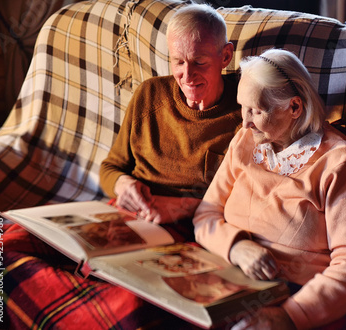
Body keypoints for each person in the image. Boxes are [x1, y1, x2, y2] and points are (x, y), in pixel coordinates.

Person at [193, 49, 346, 329]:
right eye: (242, 108)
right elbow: (205, 215)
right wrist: (237, 247)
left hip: (295, 299)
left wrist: (291, 316)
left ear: (294, 108)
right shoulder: (245, 140)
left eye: (255, 111)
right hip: (225, 277)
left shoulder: (340, 161)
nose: (244, 122)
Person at [99, 3, 241, 225]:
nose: (187, 75)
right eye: (178, 62)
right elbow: (110, 168)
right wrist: (123, 185)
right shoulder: (149, 94)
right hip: (130, 216)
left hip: (191, 227)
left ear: (225, 56)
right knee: (30, 237)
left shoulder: (245, 112)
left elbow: (247, 199)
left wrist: (181, 207)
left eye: (199, 62)